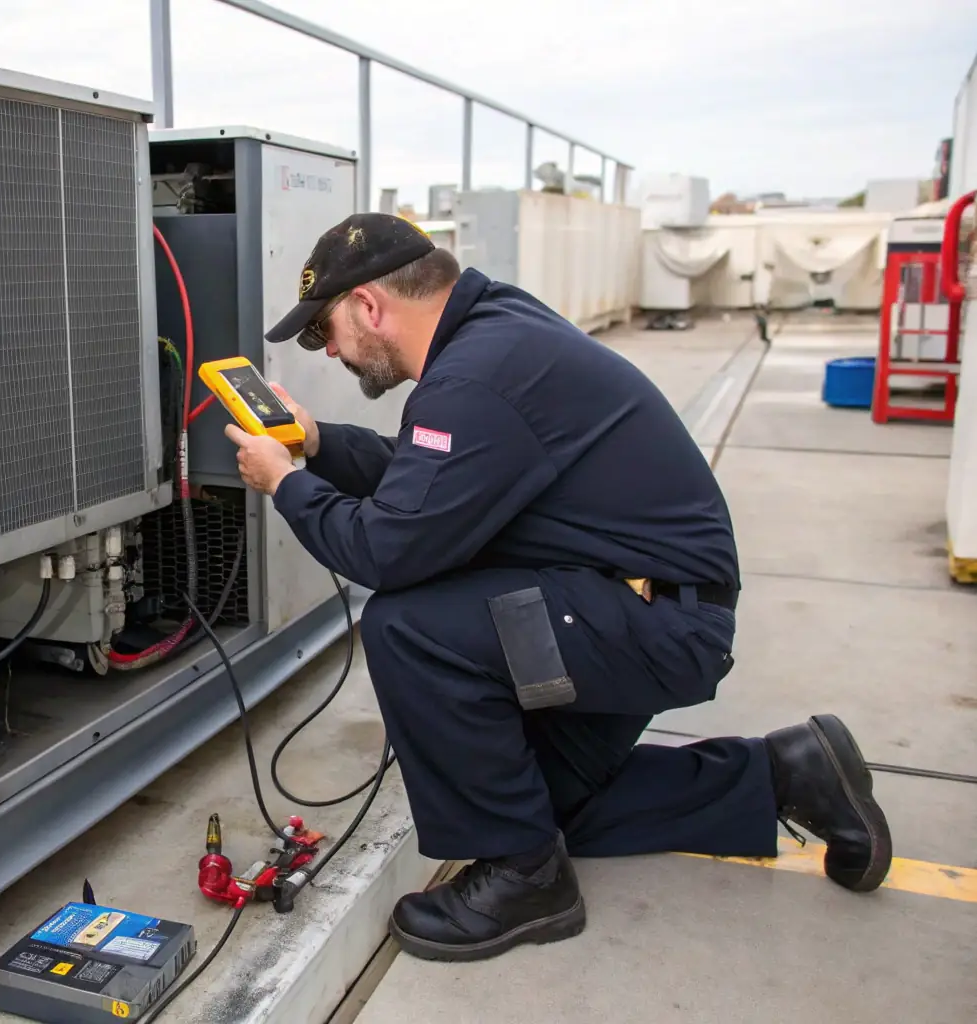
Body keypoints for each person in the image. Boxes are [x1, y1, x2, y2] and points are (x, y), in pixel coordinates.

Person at [222, 212, 892, 963]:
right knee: (539, 804)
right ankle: (786, 773)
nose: (332, 350)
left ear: (370, 307)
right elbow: (432, 486)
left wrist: (284, 485)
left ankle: (522, 880)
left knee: (405, 625)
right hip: (638, 602)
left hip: (650, 622)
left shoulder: (473, 377)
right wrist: (316, 445)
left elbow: (386, 549)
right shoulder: (497, 333)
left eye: (326, 331)